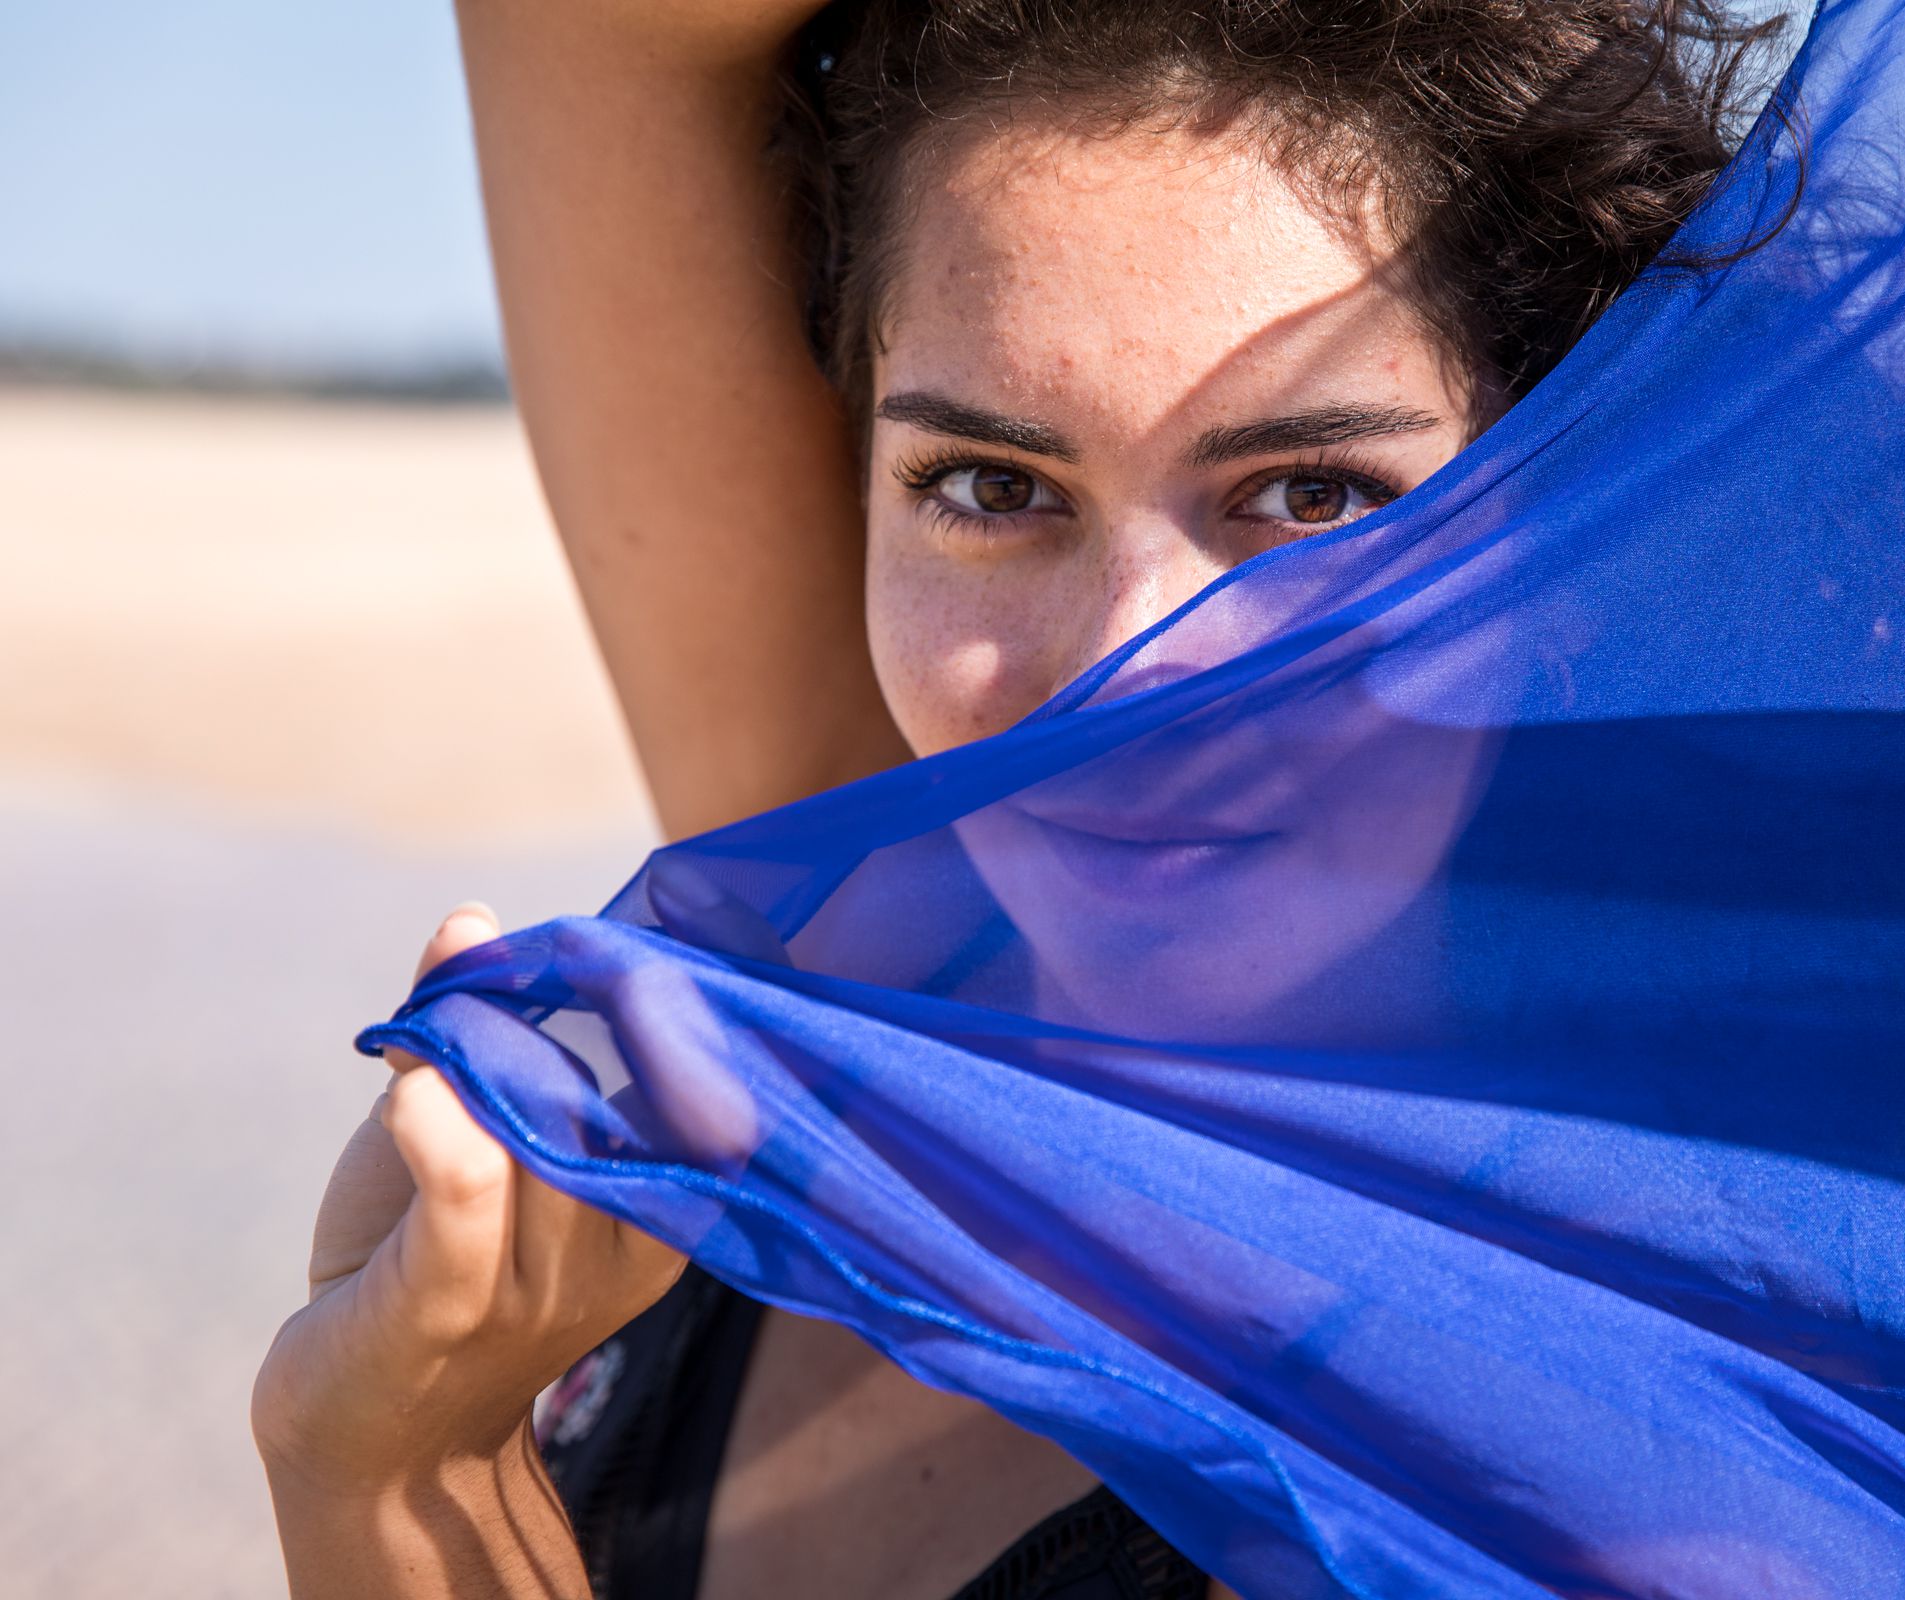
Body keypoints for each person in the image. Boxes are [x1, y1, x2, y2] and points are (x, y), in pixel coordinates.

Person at [251, 2, 1789, 1595]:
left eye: (1309, 497)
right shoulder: (851, 991)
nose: (1124, 675)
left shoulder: (1634, 1496)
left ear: (1569, 556)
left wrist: (386, 1484)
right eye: (991, 488)